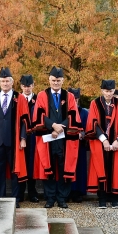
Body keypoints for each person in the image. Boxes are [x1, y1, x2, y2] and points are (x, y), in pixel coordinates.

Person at [33, 67, 80, 209]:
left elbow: (72, 115)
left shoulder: (69, 96)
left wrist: (60, 129)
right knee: (49, 168)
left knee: (63, 168)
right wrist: (53, 126)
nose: (56, 83)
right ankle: (50, 198)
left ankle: (62, 198)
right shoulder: (42, 95)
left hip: (64, 138)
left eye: (58, 80)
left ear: (63, 81)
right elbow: (39, 115)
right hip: (48, 137)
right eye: (53, 80)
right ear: (49, 80)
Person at [0, 67, 30, 203]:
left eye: (7, 81)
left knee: (15, 171)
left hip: (14, 140)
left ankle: (15, 199)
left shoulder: (19, 97)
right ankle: (0, 198)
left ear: (12, 82)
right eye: (3, 81)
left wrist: (23, 138)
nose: (5, 83)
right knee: (0, 171)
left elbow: (25, 120)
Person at [86, 80, 118, 209]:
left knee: (116, 168)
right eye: (106, 91)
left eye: (111, 91)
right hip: (100, 142)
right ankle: (102, 199)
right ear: (102, 90)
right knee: (101, 167)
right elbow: (92, 123)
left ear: (114, 90)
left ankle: (115, 198)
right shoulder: (94, 103)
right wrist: (104, 140)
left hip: (117, 142)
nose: (108, 94)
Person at [16, 75, 40, 203]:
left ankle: (32, 192)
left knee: (32, 164)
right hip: (19, 136)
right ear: (21, 86)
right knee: (20, 163)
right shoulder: (17, 100)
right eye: (24, 86)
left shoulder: (38, 100)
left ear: (33, 85)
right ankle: (19, 193)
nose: (27, 88)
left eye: (29, 86)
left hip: (34, 137)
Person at [68, 87, 89, 203]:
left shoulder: (84, 112)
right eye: (72, 99)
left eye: (76, 99)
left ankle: (78, 192)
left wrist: (82, 134)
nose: (74, 101)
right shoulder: (63, 111)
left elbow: (89, 128)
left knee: (79, 168)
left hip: (80, 146)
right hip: (67, 144)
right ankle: (67, 191)